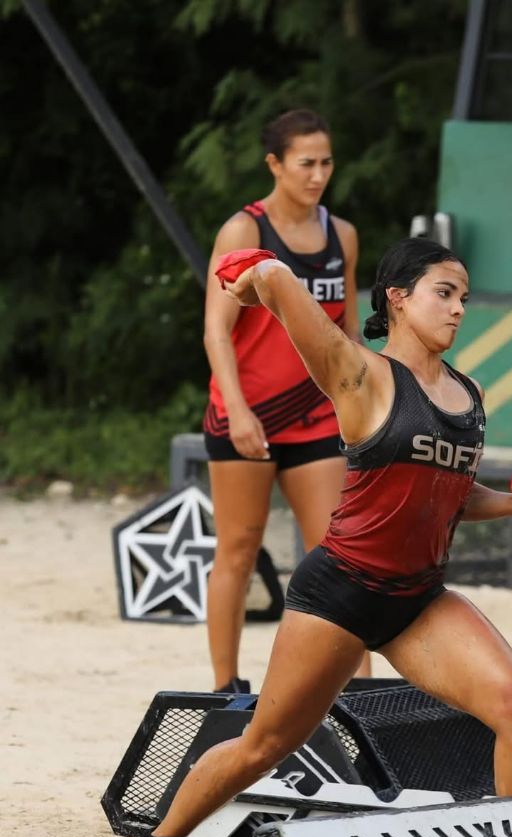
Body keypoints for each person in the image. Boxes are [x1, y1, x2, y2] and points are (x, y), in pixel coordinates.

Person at [130, 236, 512, 837]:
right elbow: (299, 312)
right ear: (397, 298)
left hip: (418, 600)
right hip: (340, 594)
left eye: (463, 297)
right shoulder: (361, 375)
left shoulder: (469, 394)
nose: (458, 309)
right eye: (444, 293)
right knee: (265, 743)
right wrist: (264, 273)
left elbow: (452, 495)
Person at [201, 108, 370, 692]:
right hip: (246, 412)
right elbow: (216, 330)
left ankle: (356, 694)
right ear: (275, 164)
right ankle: (225, 687)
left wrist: (366, 405)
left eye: (326, 162)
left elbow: (347, 333)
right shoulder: (244, 231)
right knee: (239, 548)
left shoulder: (342, 235)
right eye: (306, 164)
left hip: (317, 415)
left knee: (339, 556)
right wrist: (237, 410)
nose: (318, 175)